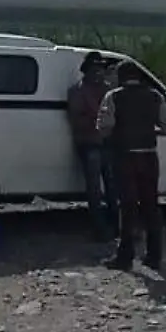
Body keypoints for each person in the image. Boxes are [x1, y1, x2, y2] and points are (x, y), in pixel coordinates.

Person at [95, 62, 166, 271]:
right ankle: (154, 255)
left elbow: (104, 127)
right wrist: (152, 132)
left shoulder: (113, 97)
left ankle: (125, 256)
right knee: (151, 205)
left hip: (124, 156)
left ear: (121, 77)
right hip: (149, 156)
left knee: (128, 206)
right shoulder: (155, 96)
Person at [66, 52, 118, 241]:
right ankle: (100, 228)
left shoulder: (108, 90)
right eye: (95, 69)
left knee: (112, 188)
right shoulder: (77, 91)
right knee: (95, 189)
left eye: (100, 69)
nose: (98, 73)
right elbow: (77, 119)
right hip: (90, 144)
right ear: (86, 71)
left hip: (106, 143)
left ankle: (116, 225)